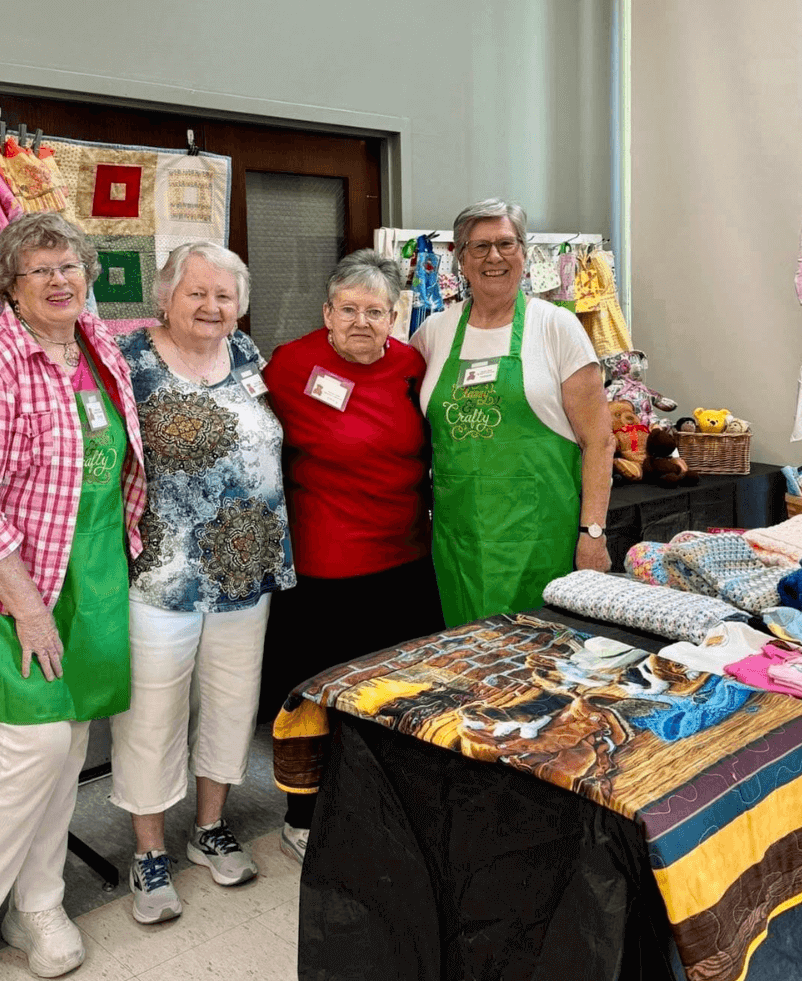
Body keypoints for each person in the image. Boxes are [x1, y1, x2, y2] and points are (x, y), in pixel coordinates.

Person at [0, 212, 146, 981]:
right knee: (35, 750)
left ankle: (38, 903)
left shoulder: (96, 344)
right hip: (2, 582)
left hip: (91, 571)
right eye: (40, 270)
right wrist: (27, 605)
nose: (60, 281)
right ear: (9, 287)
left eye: (70, 267)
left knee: (72, 744)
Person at [109, 241, 296, 925]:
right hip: (162, 571)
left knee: (231, 701)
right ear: (165, 296)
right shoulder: (129, 361)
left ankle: (209, 828)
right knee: (152, 713)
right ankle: (150, 851)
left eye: (224, 295)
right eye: (197, 293)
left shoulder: (246, 355)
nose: (212, 306)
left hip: (246, 567)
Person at [261, 249, 444, 864]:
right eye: (349, 309)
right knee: (316, 698)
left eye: (376, 311)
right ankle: (303, 815)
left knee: (394, 693)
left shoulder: (413, 365)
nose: (362, 322)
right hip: (324, 566)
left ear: (396, 315)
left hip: (405, 560)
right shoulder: (290, 366)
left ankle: (387, 803)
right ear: (327, 313)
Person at [411, 199, 615, 627]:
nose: (494, 257)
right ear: (460, 259)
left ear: (523, 252)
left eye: (506, 243)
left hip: (541, 541)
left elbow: (600, 440)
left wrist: (592, 535)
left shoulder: (556, 327)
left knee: (539, 670)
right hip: (458, 545)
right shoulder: (433, 333)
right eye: (479, 246)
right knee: (466, 662)